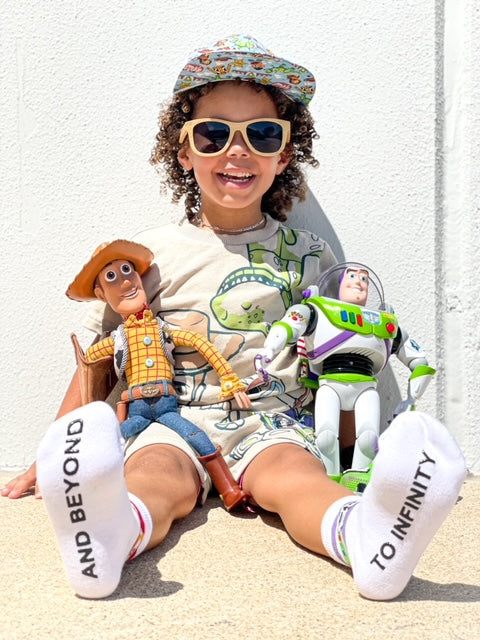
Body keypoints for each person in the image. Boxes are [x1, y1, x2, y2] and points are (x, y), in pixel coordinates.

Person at [2, 34, 466, 601]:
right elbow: (100, 361)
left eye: (262, 134)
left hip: (273, 422)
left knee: (296, 479)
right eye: (214, 134)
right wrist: (51, 450)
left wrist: (354, 451)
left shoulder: (311, 256)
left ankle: (367, 539)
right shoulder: (147, 256)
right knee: (155, 475)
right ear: (184, 152)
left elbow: (341, 357)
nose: (237, 150)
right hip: (173, 418)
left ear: (284, 155)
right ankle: (107, 537)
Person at [66, 238, 251, 510]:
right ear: (102, 294)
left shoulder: (163, 330)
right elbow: (90, 361)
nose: (125, 282)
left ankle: (229, 489)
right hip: (137, 410)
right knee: (111, 440)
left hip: (167, 405)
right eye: (111, 277)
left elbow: (200, 342)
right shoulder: (118, 340)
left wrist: (229, 379)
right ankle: (89, 491)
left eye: (127, 270)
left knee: (197, 437)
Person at [254, 262, 436, 491]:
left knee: (369, 439)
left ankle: (359, 483)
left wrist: (411, 398)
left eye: (364, 279)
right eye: (352, 277)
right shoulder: (318, 309)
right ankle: (329, 482)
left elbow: (418, 360)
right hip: (330, 382)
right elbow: (290, 325)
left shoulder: (385, 322)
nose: (359, 282)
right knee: (326, 438)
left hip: (366, 386)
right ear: (339, 284)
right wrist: (270, 348)